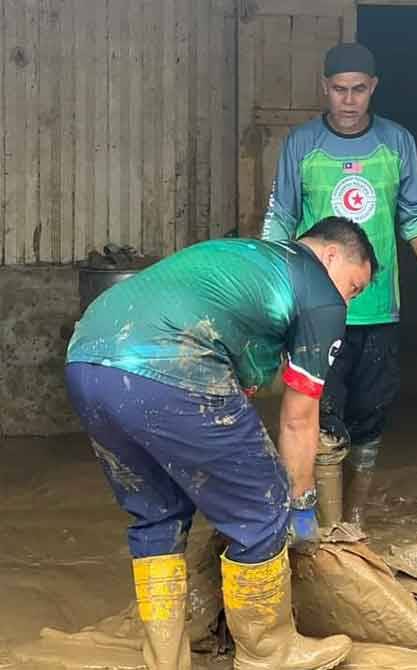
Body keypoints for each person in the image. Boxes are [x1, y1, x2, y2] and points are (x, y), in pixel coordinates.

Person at [65, 217, 376, 670]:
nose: (348, 301)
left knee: (158, 514)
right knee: (264, 501)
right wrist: (301, 503)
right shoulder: (320, 294)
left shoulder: (249, 262)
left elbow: (237, 391)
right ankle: (269, 651)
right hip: (168, 362)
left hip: (88, 360)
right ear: (331, 255)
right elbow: (298, 416)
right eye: (354, 287)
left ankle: (165, 660)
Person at [261, 42, 417, 528]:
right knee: (321, 416)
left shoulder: (397, 142)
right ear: (325, 88)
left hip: (378, 309)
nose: (349, 100)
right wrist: (272, 293)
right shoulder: (302, 144)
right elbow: (280, 219)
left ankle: (357, 517)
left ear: (374, 89)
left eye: (359, 90)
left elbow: (415, 214)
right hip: (316, 311)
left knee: (371, 415)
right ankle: (326, 525)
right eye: (340, 90)